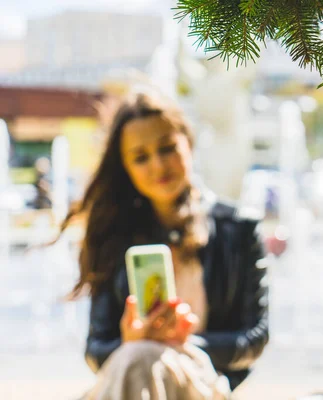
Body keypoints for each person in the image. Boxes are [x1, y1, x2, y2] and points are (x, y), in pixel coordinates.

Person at [54, 93, 269, 399]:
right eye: (141, 157)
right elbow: (96, 349)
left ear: (188, 143)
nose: (158, 165)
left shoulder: (240, 228)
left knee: (143, 358)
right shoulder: (115, 235)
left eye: (167, 148)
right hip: (132, 373)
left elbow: (256, 338)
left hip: (205, 380)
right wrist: (133, 339)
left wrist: (178, 343)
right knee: (139, 358)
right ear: (126, 167)